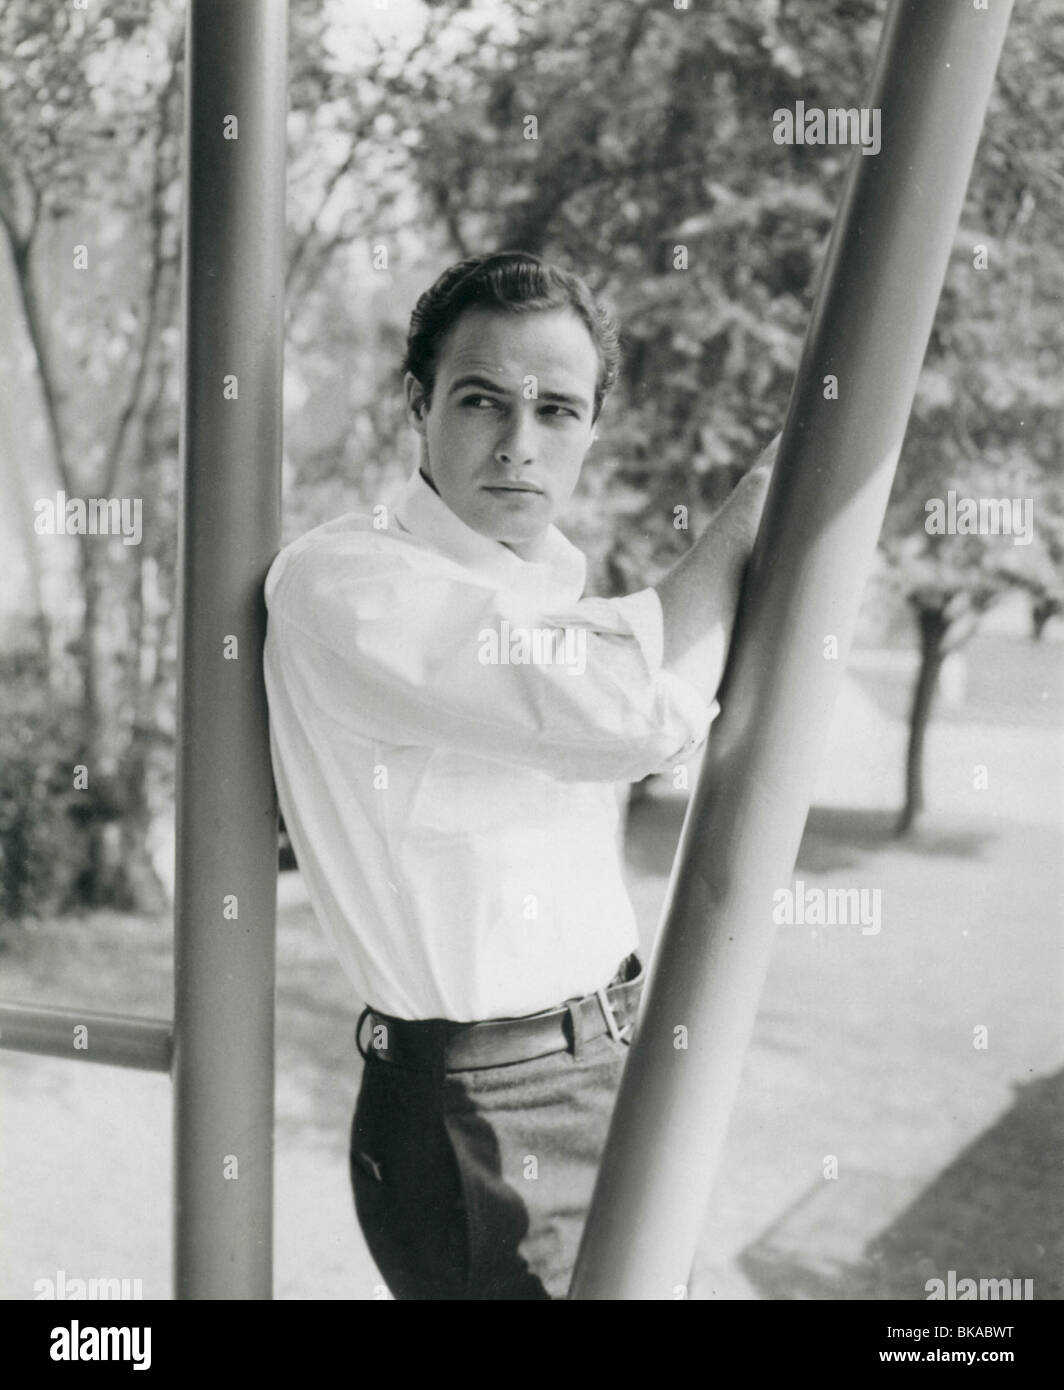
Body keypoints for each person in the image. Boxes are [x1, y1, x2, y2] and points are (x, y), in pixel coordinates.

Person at [263, 251, 775, 1299]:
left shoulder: (547, 587)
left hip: (603, 1062)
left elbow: (635, 711)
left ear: (592, 427)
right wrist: (767, 497)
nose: (517, 443)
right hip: (486, 1106)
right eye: (482, 400)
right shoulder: (347, 580)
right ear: (417, 402)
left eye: (556, 410)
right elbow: (632, 709)